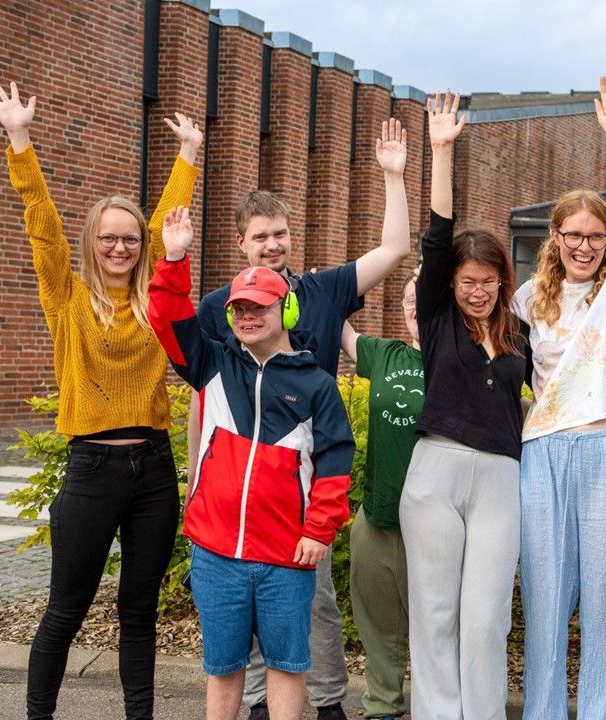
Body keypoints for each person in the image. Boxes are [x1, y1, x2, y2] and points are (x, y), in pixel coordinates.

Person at [0, 80, 201, 720]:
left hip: (154, 471)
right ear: (92, 243)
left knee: (139, 614)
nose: (119, 247)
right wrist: (19, 139)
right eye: (108, 238)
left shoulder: (154, 298)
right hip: (91, 470)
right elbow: (43, 228)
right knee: (65, 610)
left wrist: (188, 156)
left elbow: (166, 226)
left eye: (129, 238)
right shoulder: (68, 299)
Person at [189, 117, 413, 720]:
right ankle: (257, 705)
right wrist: (195, 478)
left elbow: (394, 250)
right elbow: (203, 395)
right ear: (241, 242)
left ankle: (328, 701)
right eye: (260, 236)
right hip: (236, 484)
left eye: (281, 233)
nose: (272, 245)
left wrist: (393, 177)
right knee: (240, 613)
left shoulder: (321, 290)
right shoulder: (222, 306)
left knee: (313, 605)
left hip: (303, 486)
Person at [149, 206, 355, 720]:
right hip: (217, 552)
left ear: (287, 311)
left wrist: (319, 529)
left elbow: (335, 461)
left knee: (288, 663)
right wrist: (174, 258)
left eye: (260, 306)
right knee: (223, 668)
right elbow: (167, 319)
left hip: (287, 556)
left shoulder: (317, 385)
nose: (247, 316)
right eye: (239, 308)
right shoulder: (211, 364)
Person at [513, 70, 606, 720]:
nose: (585, 246)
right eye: (573, 235)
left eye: (596, 236)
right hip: (541, 453)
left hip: (603, 452)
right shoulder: (526, 299)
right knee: (543, 599)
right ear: (556, 238)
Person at [401, 89, 529, 720]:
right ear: (450, 283)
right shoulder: (438, 319)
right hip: (437, 471)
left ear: (503, 281)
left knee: (485, 620)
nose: (478, 292)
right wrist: (441, 151)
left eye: (489, 281)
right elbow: (437, 235)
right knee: (435, 615)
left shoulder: (520, 333)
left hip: (501, 478)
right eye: (467, 282)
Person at [340, 268, 421, 720]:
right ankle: (382, 706)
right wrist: (319, 287)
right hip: (377, 515)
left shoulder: (463, 360)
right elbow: (341, 329)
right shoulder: (387, 354)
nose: (416, 307)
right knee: (377, 624)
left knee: (435, 629)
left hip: (432, 524)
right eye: (410, 300)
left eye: (426, 297)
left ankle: (435, 707)